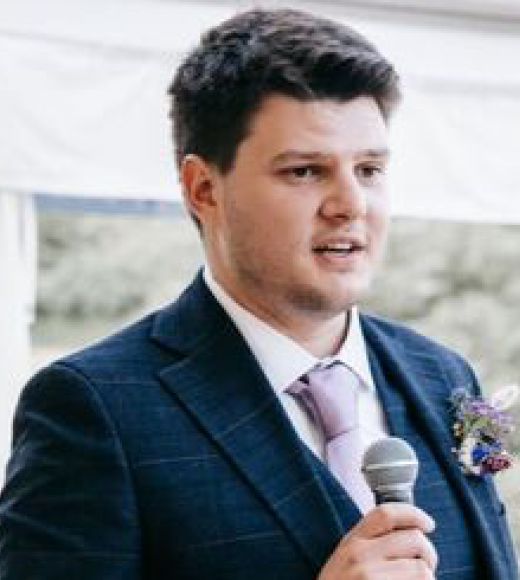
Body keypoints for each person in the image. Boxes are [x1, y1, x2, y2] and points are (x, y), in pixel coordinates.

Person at [0, 8, 517, 580]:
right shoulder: (93, 408)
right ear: (203, 188)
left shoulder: (443, 376)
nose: (351, 204)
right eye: (304, 172)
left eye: (369, 169)